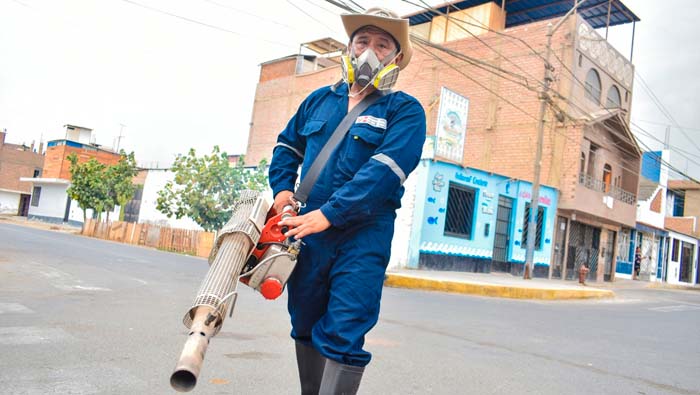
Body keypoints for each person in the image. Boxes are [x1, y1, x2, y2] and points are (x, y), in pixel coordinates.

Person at [267, 7, 426, 394]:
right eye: (363, 41)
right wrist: (283, 191)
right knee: (304, 322)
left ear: (397, 57)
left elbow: (385, 171)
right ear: (350, 48)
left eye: (382, 44)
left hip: (362, 235)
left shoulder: (405, 110)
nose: (370, 51)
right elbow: (287, 147)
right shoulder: (319, 101)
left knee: (344, 328)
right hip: (308, 233)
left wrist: (331, 214)